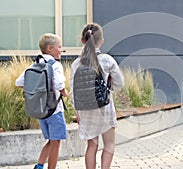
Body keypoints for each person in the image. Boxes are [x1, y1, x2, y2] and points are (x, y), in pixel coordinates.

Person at [70, 23, 124, 169]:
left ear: (82, 40)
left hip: (85, 109)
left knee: (91, 146)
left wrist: (77, 112)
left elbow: (72, 91)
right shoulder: (107, 59)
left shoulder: (76, 63)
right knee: (109, 144)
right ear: (101, 41)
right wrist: (109, 87)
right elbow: (120, 83)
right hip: (104, 107)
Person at [15, 33, 69, 169]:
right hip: (54, 110)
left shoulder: (35, 64)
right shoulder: (55, 65)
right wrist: (65, 92)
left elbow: (19, 82)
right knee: (56, 142)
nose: (61, 50)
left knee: (51, 140)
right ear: (50, 48)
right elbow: (59, 85)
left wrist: (38, 89)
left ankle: (39, 166)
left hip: (41, 110)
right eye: (60, 47)